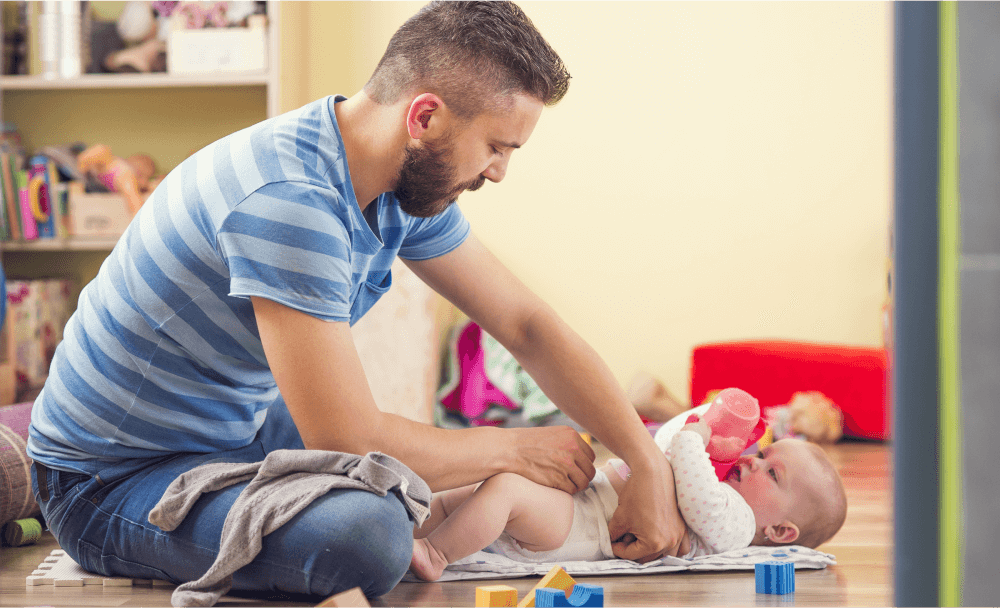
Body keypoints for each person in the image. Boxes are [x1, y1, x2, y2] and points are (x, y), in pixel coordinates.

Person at [26, 0, 688, 600]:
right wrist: (514, 450)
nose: (498, 172)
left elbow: (526, 324)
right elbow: (345, 437)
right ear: (425, 116)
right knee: (368, 534)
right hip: (109, 483)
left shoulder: (396, 179)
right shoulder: (290, 199)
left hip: (229, 430)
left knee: (407, 476)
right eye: (495, 147)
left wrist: (645, 459)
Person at [408, 408, 848, 581]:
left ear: (781, 531)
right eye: (762, 453)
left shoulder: (735, 523)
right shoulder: (720, 484)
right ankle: (416, 526)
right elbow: (660, 447)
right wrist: (700, 422)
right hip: (583, 504)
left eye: (772, 473)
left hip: (581, 529)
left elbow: (694, 491)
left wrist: (695, 440)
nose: (752, 460)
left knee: (504, 490)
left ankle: (436, 554)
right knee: (478, 488)